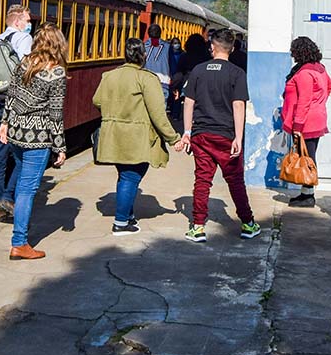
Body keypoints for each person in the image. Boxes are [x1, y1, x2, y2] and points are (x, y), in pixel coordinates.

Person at [93, 38, 188, 235]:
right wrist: (174, 138)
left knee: (124, 175)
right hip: (137, 137)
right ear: (143, 56)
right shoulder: (147, 79)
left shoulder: (108, 76)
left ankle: (128, 216)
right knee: (131, 176)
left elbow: (97, 101)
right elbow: (158, 113)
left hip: (114, 135)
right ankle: (120, 222)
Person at [181, 28, 261, 242]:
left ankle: (197, 226)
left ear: (212, 47)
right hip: (226, 135)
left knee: (202, 180)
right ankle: (247, 224)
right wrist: (238, 137)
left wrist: (187, 132)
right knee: (235, 181)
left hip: (201, 135)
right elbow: (238, 106)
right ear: (233, 49)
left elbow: (188, 103)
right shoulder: (237, 73)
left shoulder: (198, 70)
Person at [0, 24, 68, 260]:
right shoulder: (56, 72)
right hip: (38, 139)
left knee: (22, 187)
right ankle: (19, 243)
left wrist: (4, 124)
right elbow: (55, 113)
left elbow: (11, 95)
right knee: (27, 190)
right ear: (58, 43)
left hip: (16, 133)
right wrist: (60, 147)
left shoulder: (25, 62)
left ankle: (19, 238)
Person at [0, 4, 34, 223]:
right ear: (17, 21)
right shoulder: (24, 40)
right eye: (27, 20)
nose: (29, 24)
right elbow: (28, 73)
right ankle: (7, 199)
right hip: (13, 106)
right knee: (22, 157)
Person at [280, 36, 331, 208]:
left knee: (307, 157)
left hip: (306, 122)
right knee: (308, 155)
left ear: (299, 52)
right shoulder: (319, 69)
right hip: (315, 118)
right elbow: (330, 85)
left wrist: (297, 126)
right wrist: (320, 102)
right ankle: (306, 193)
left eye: (294, 51)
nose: (292, 55)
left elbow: (303, 101)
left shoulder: (304, 73)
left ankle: (308, 196)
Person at [142, 24, 174, 103]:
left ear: (148, 33)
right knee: (162, 106)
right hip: (163, 81)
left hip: (147, 82)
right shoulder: (168, 46)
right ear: (160, 33)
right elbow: (172, 64)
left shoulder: (143, 46)